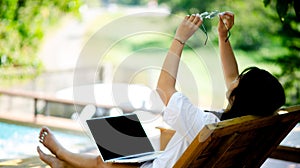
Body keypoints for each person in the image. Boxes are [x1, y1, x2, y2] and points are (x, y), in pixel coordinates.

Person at [37, 12, 286, 168]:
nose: (234, 80)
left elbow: (164, 88)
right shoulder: (249, 122)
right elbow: (232, 76)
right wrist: (223, 36)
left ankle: (62, 155)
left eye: (239, 82)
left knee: (106, 162)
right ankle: (65, 163)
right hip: (164, 158)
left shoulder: (206, 125)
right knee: (119, 132)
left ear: (238, 96)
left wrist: (178, 40)